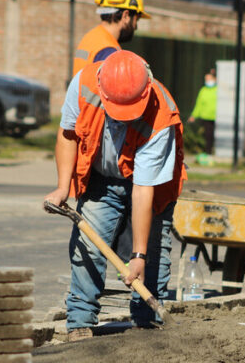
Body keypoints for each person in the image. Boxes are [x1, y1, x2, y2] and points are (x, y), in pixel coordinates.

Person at [44, 51, 187, 341]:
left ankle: (147, 326)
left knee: (153, 257)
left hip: (151, 186)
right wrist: (62, 187)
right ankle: (80, 323)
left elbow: (143, 190)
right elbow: (67, 134)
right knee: (88, 246)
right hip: (101, 179)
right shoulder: (84, 83)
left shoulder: (162, 114)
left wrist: (137, 255)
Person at [72, 0, 151, 76]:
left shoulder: (91, 37)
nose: (136, 27)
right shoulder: (109, 51)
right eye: (136, 20)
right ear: (125, 16)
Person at [187, 68, 217, 156]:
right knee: (208, 136)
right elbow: (199, 105)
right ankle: (208, 153)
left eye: (209, 79)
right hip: (206, 117)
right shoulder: (203, 90)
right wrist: (194, 115)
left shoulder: (218, 90)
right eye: (206, 79)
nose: (207, 81)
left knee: (215, 136)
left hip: (217, 117)